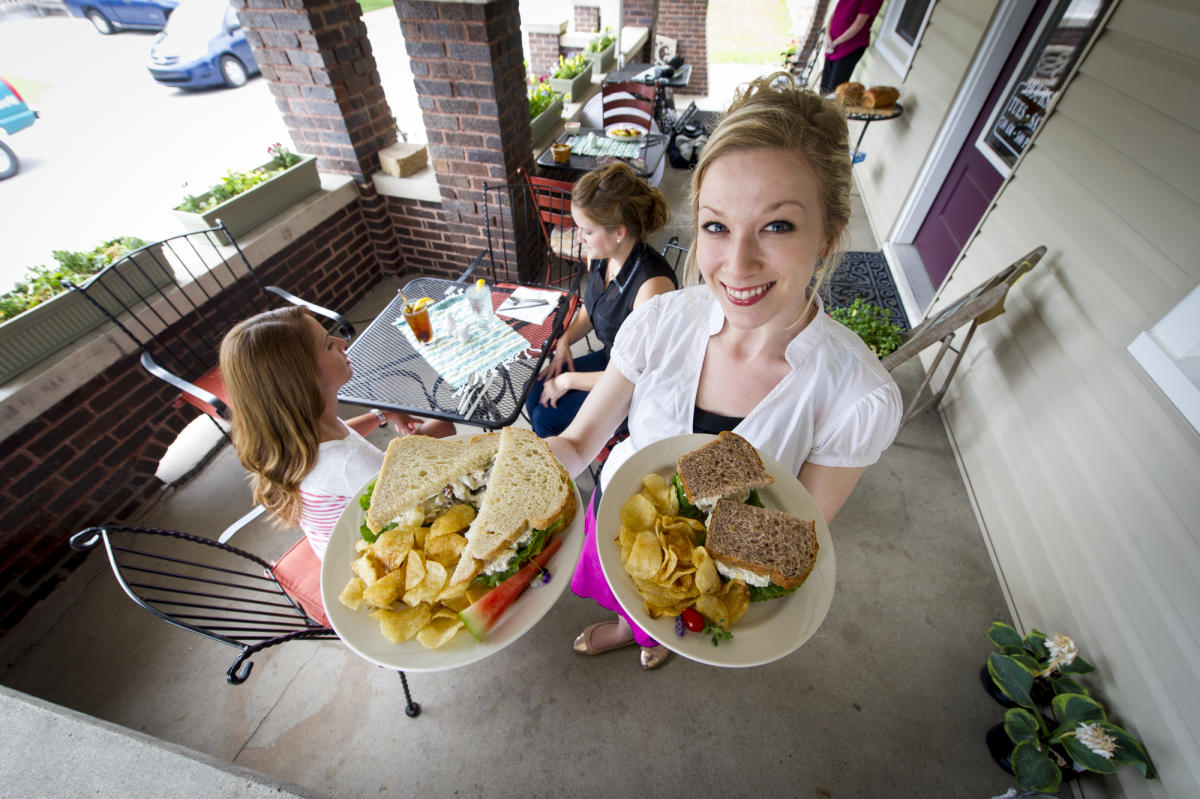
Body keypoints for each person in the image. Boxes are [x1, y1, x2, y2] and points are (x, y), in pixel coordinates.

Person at [545, 74, 903, 670]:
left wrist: (702, 596)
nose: (738, 265)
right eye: (717, 226)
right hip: (622, 512)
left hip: (722, 570)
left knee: (673, 617)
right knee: (628, 588)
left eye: (777, 225)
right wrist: (505, 471)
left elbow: (790, 541)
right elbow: (580, 444)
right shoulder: (659, 323)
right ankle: (632, 626)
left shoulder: (857, 397)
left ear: (828, 236)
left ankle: (659, 636)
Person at [220, 306, 454, 560]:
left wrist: (383, 414)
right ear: (305, 377)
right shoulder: (351, 463)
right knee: (447, 433)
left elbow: (343, 436)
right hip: (374, 558)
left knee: (438, 430)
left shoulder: (298, 430)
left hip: (330, 544)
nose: (342, 343)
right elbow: (418, 506)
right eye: (328, 345)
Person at [524, 162, 678, 438]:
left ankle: (572, 456)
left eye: (587, 231)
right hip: (611, 362)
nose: (578, 239)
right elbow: (592, 308)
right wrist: (565, 341)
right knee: (534, 390)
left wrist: (568, 380)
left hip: (637, 387)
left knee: (545, 417)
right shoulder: (602, 256)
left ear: (619, 232)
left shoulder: (652, 287)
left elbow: (638, 374)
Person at [819, 0, 885, 95]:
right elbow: (835, 12)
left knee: (834, 90)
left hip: (850, 47)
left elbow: (858, 25)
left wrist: (835, 43)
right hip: (832, 45)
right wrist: (827, 35)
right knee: (824, 88)